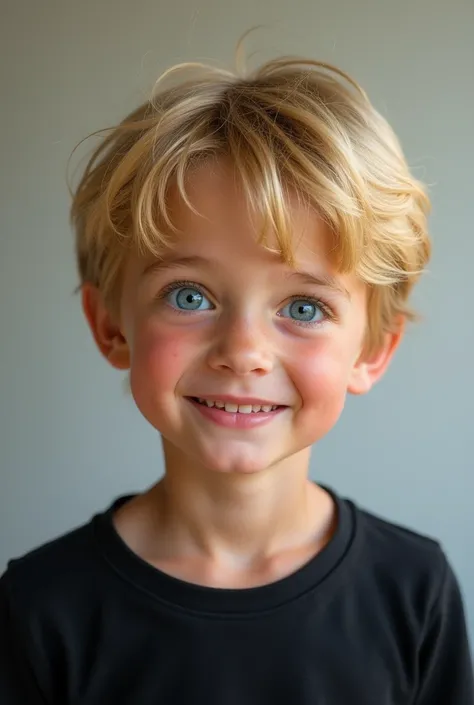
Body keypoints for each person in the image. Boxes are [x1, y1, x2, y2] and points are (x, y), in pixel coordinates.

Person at [1, 46, 472, 705]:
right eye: (190, 295)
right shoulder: (40, 604)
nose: (244, 350)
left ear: (371, 350)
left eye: (304, 307)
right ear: (111, 325)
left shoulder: (416, 589)